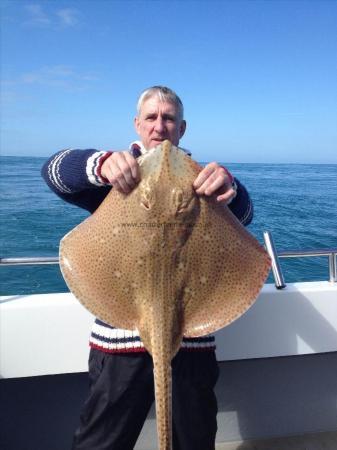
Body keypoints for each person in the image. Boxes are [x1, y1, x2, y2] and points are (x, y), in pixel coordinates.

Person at [41, 86, 253, 450]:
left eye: (168, 118)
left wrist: (231, 187)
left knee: (194, 440)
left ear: (181, 128)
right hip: (119, 341)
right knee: (102, 441)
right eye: (151, 118)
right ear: (137, 124)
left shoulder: (203, 178)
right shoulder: (115, 177)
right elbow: (54, 172)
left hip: (193, 341)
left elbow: (245, 217)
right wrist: (100, 164)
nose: (160, 126)